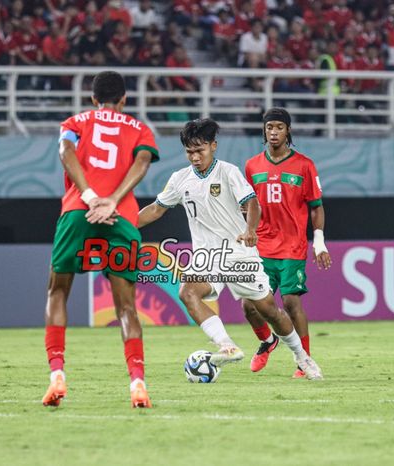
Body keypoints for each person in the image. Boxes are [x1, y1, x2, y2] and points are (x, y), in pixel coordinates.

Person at [138, 118, 323, 380]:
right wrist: (126, 224)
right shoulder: (179, 179)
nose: (194, 157)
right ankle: (227, 346)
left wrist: (250, 230)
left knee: (270, 310)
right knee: (188, 292)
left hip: (238, 253)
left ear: (213, 146)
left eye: (200, 150)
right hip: (206, 257)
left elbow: (253, 203)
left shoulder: (228, 172)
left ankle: (301, 356)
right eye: (189, 151)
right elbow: (156, 209)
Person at [42, 71, 159, 408]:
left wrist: (92, 197)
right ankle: (137, 383)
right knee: (126, 306)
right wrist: (113, 200)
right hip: (121, 217)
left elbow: (66, 152)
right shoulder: (139, 128)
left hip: (78, 211)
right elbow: (143, 160)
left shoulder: (75, 122)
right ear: (124, 99)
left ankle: (57, 375)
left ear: (94, 99)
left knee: (58, 291)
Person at [241, 108, 331, 378]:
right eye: (269, 127)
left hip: (292, 246)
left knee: (291, 302)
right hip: (261, 246)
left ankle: (303, 360)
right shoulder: (252, 166)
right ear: (264, 131)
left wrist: (319, 242)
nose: (274, 132)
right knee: (249, 305)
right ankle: (267, 341)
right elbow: (247, 206)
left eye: (279, 127)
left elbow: (316, 207)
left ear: (288, 130)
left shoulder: (305, 165)